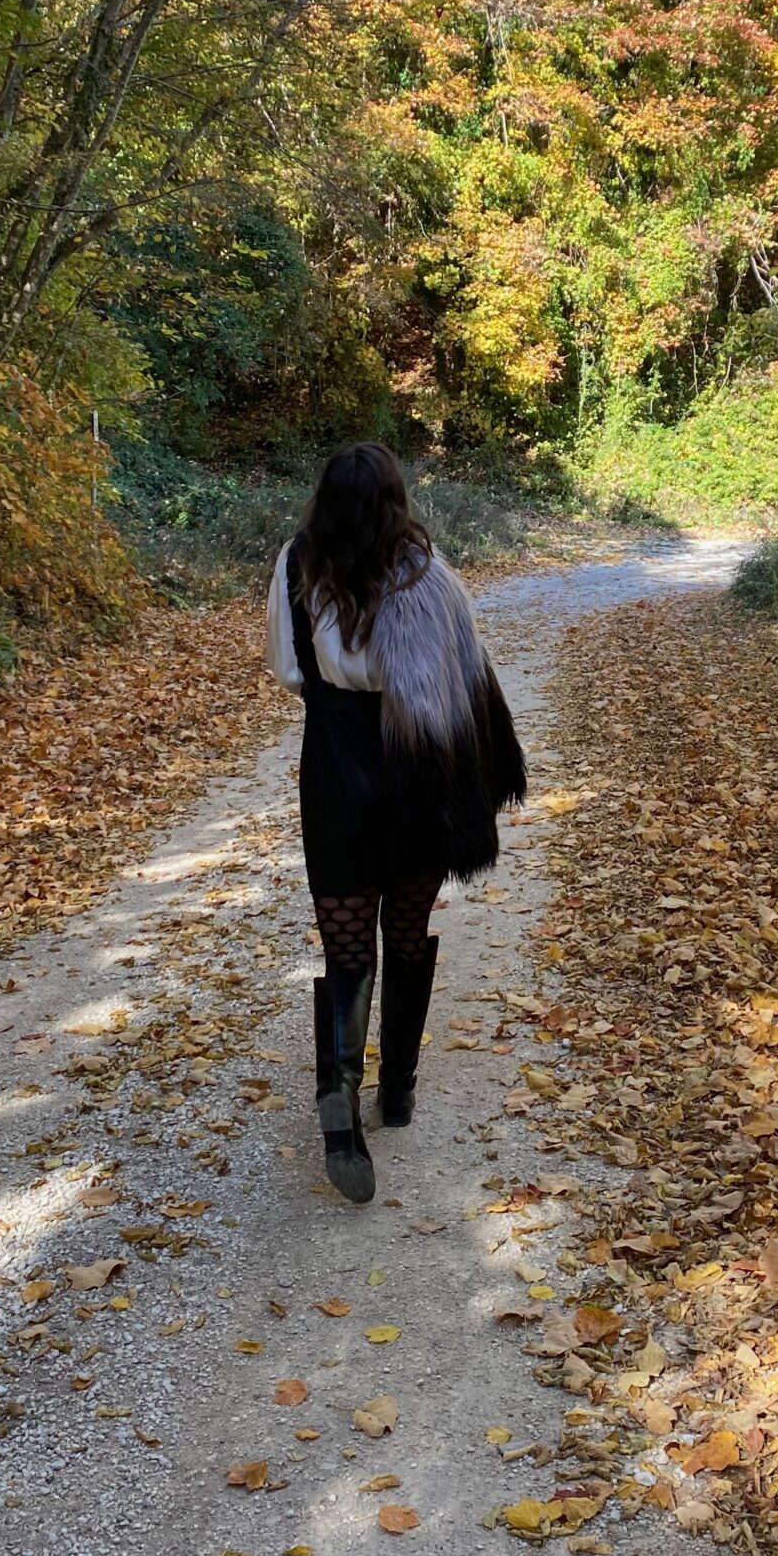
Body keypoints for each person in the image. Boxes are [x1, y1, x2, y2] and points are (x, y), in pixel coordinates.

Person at [266, 445, 527, 1204]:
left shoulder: (295, 565)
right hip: (418, 767)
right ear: (395, 497)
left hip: (336, 763)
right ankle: (399, 1090)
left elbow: (287, 670)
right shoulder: (427, 571)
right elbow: (463, 670)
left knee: (347, 940)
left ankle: (338, 1102)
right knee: (406, 931)